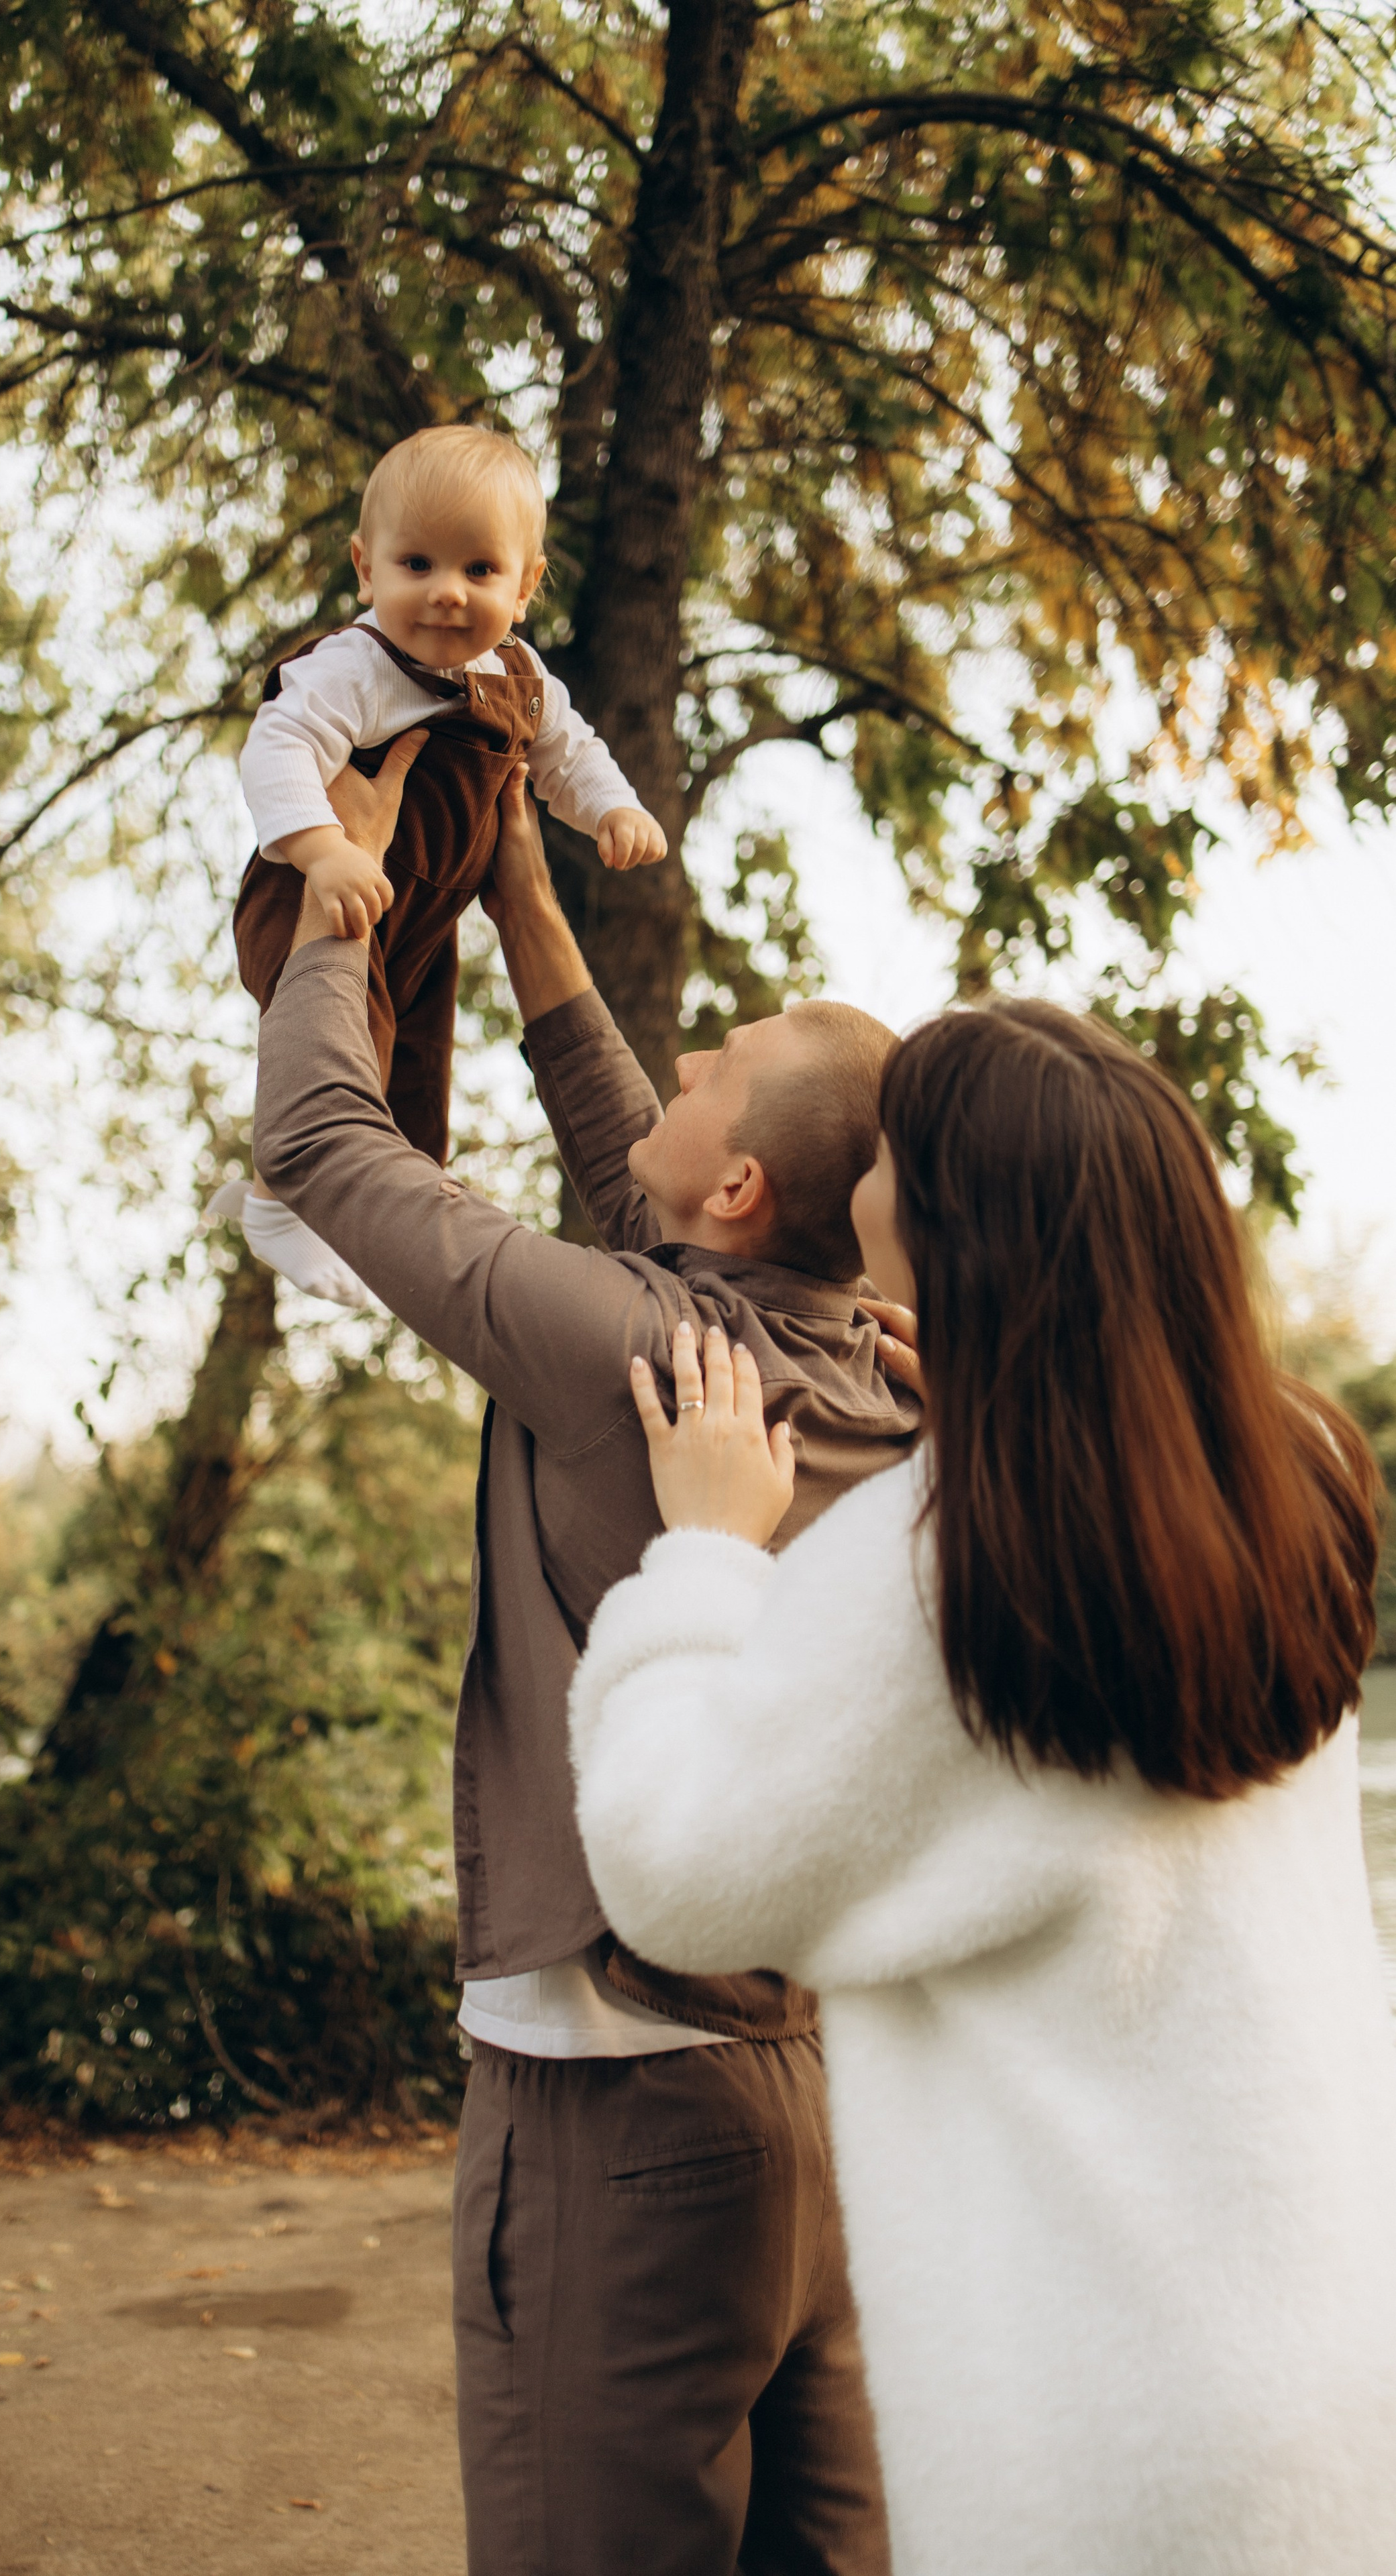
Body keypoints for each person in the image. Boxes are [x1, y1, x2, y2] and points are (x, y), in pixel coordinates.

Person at [568, 1000, 1396, 2576]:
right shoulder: (1289, 1477)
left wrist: (702, 1559)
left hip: (1104, 2435)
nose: (857, 1172)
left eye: (886, 1154)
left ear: (941, 1224)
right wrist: (997, 1398)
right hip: (1332, 2352)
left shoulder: (936, 1580)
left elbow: (670, 1872)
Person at [244, 744, 920, 2573]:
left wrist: (338, 908)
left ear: (745, 1186)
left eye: (716, 1067)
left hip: (615, 2097)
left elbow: (320, 1143)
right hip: (806, 2096)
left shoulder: (630, 1353)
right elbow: (658, 1193)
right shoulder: (875, 1373)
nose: (678, 1060)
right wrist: (531, 906)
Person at [218, 422, 664, 1303]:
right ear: (365, 567)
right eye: (415, 565)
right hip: (321, 891)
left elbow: (570, 757)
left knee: (415, 1085)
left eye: (480, 570)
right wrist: (323, 851)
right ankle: (277, 1201)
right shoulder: (354, 665)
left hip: (422, 921)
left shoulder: (523, 679)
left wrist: (613, 809)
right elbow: (276, 751)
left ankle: (377, 1234)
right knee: (345, 1053)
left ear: (527, 585)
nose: (447, 594)